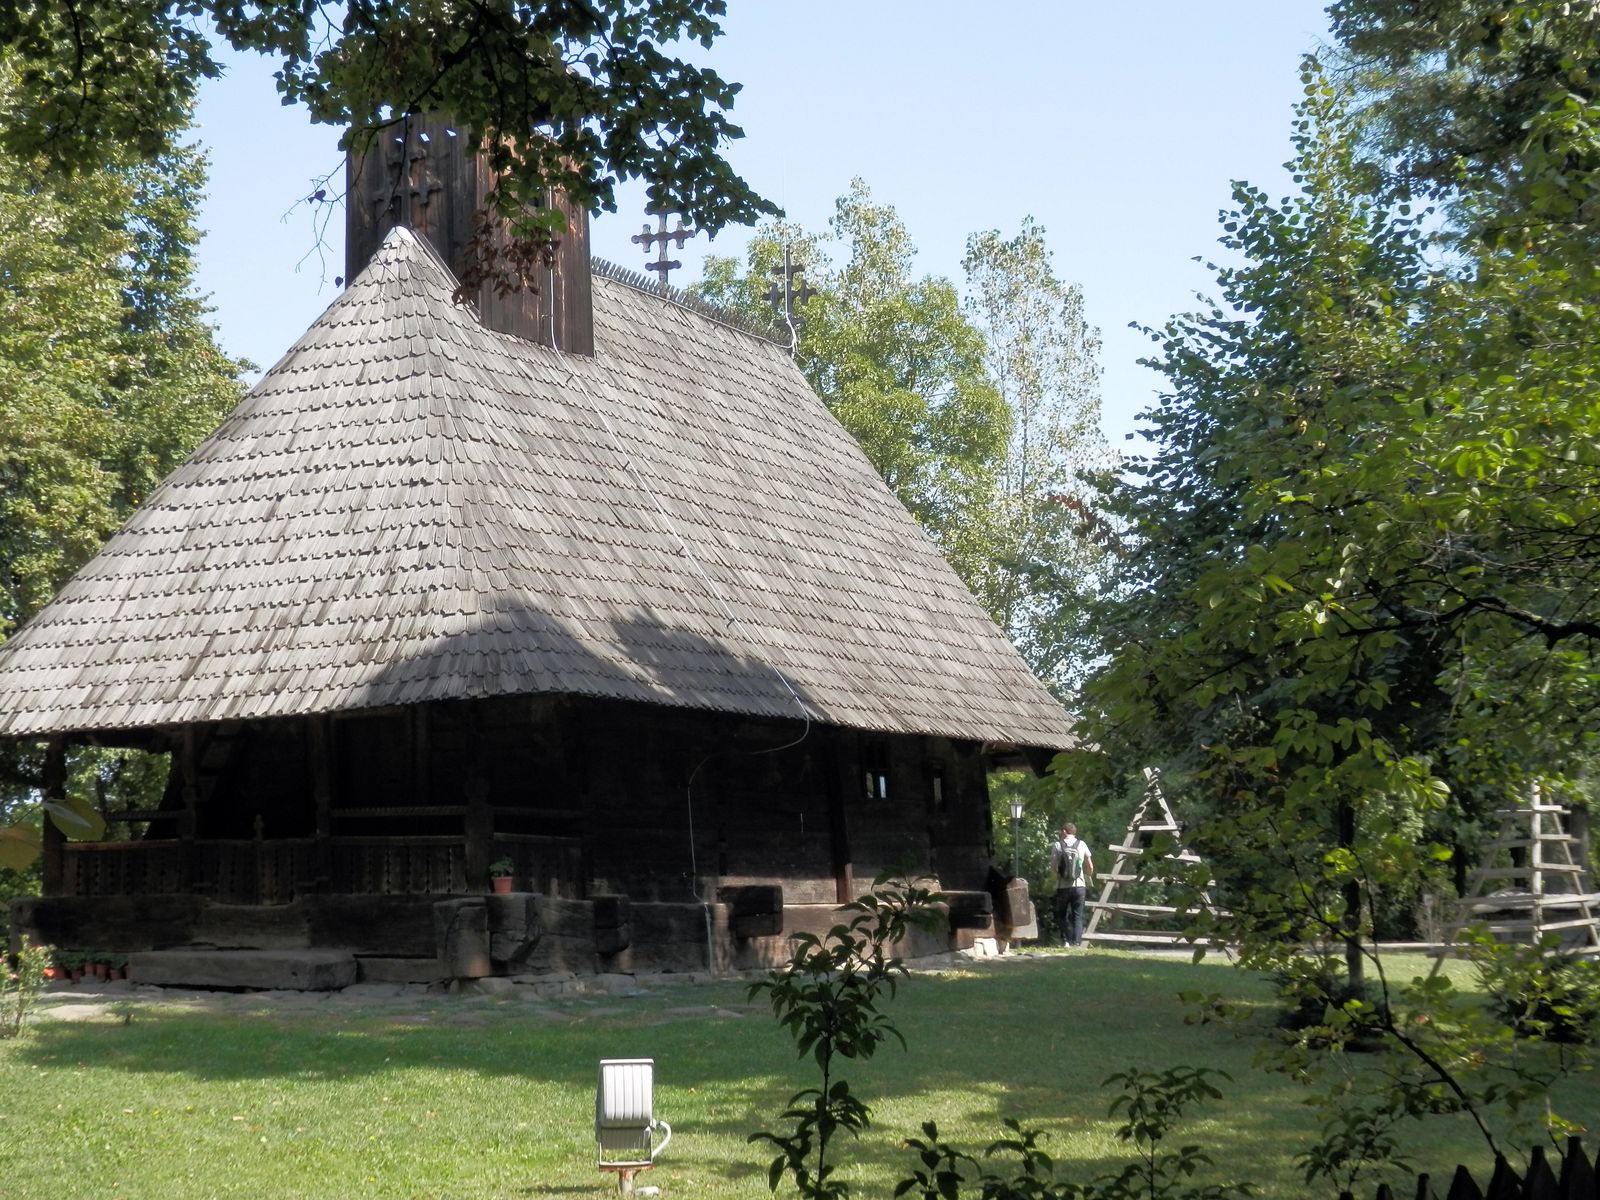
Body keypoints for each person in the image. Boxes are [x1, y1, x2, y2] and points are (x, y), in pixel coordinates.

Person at [1050, 822, 1095, 947]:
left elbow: (1053, 867)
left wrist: (1058, 875)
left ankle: (1066, 941)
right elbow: (1090, 866)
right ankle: (1076, 943)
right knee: (1077, 916)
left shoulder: (1058, 845)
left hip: (1062, 886)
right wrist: (1087, 876)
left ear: (1064, 831)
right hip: (1079, 886)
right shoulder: (1082, 844)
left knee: (1061, 915)